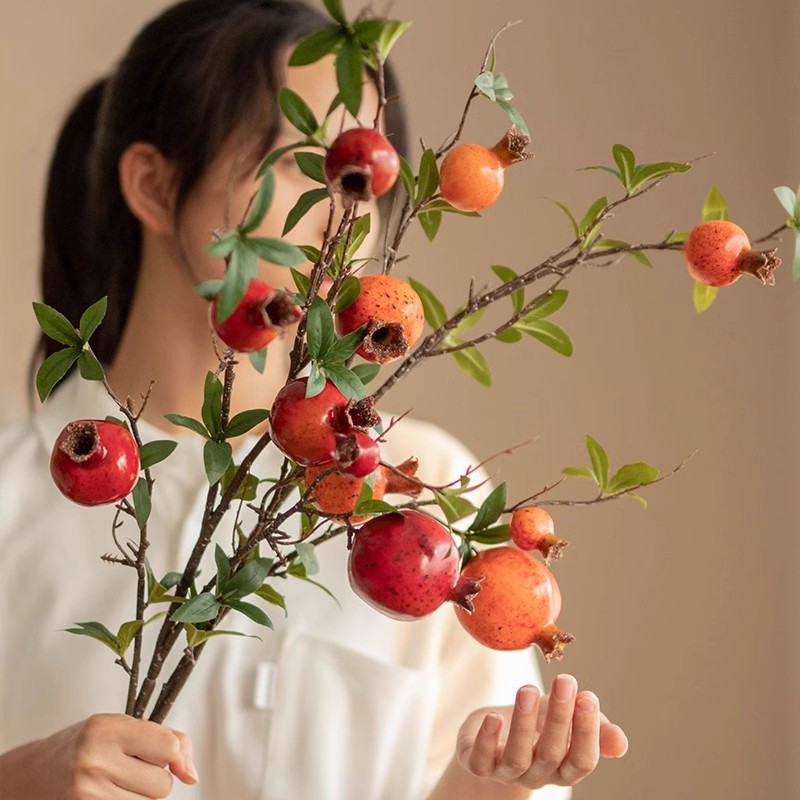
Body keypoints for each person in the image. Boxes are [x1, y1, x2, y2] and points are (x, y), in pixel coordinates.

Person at [0, 1, 628, 798]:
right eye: (311, 162)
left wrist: (500, 782)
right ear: (155, 186)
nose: (349, 209)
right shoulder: (10, 501)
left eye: (369, 173)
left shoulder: (421, 489)